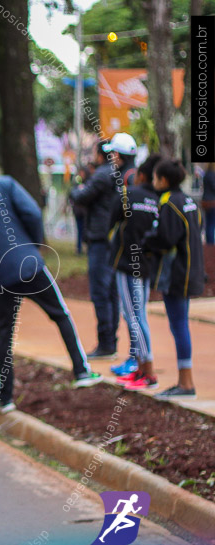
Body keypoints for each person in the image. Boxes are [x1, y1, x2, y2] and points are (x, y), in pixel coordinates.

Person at [0, 149, 100, 414]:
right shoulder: (4, 184)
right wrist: (33, 246)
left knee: (4, 333)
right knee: (60, 314)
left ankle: (5, 397)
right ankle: (80, 370)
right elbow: (32, 213)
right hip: (29, 264)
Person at [142, 159, 205, 399]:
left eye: (156, 178)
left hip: (176, 275)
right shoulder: (190, 201)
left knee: (179, 326)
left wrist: (146, 241)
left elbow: (165, 238)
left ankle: (186, 383)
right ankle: (184, 381)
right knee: (181, 325)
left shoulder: (169, 202)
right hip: (191, 271)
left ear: (164, 181)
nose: (153, 182)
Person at [70, 133, 137, 359]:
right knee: (112, 293)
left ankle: (106, 343)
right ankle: (111, 341)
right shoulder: (121, 175)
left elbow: (80, 197)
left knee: (101, 292)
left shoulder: (101, 175)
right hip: (112, 239)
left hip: (101, 240)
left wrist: (76, 185)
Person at [108, 154, 162, 389]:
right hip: (146, 266)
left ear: (141, 175)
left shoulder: (129, 194)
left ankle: (147, 372)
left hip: (127, 265)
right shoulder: (158, 200)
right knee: (138, 316)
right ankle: (141, 369)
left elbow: (111, 221)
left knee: (134, 318)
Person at [202, 162, 215, 245]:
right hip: (212, 202)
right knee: (211, 224)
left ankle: (209, 242)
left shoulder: (206, 174)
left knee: (209, 223)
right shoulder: (212, 175)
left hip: (206, 201)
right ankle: (210, 244)